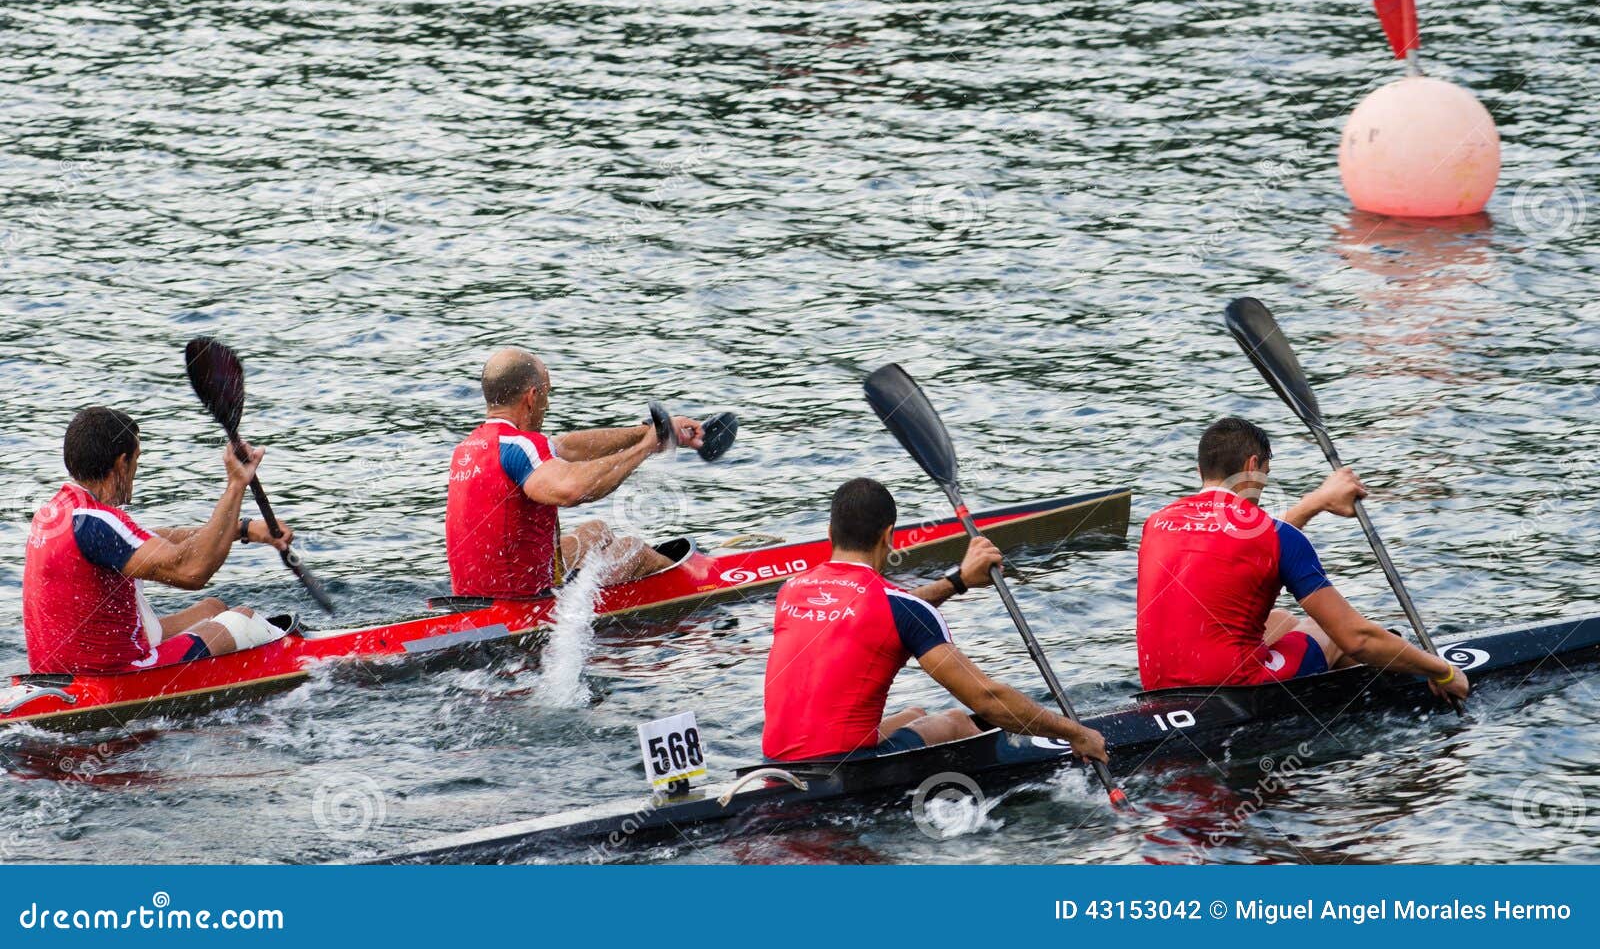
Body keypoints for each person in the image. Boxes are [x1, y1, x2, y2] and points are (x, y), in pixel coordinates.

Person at [761, 477, 1109, 765]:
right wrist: (1076, 733)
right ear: (888, 536)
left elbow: (875, 612)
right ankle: (1021, 773)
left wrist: (958, 581)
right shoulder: (899, 608)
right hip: (844, 769)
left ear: (830, 532)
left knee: (915, 713)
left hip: (778, 762)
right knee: (957, 721)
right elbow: (986, 699)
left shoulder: (792, 591)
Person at [1136, 416, 1470, 701]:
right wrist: (1441, 670)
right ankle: (1382, 695)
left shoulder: (1157, 523)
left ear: (1200, 470)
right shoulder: (1277, 536)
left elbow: (1250, 549)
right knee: (1328, 632)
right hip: (1234, 689)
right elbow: (1357, 638)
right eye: (1266, 471)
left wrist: (1317, 502)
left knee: (1281, 619)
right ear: (1254, 466)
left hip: (1158, 686)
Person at [23, 406, 294, 675]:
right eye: (137, 460)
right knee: (244, 618)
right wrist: (236, 485)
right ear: (122, 463)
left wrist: (241, 530)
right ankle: (301, 657)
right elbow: (192, 571)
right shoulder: (98, 522)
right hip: (115, 675)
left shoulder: (59, 513)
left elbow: (157, 539)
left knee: (214, 608)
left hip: (61, 672)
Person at [445, 348, 705, 599]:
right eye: (547, 395)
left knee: (597, 531)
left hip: (477, 597)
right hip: (522, 604)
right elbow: (572, 491)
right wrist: (645, 448)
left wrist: (652, 432)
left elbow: (570, 446)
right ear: (532, 397)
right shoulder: (523, 448)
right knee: (633, 549)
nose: (546, 405)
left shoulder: (471, 448)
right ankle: (703, 582)